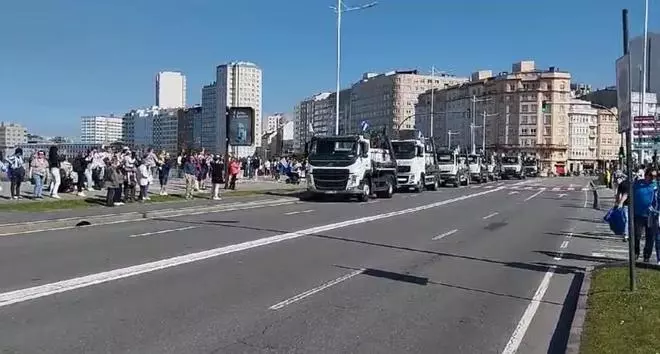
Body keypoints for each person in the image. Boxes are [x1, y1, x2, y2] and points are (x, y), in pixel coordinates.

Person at [631, 168, 658, 262]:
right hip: (638, 214)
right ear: (646, 175)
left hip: (651, 215)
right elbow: (630, 195)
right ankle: (636, 253)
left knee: (650, 237)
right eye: (651, 175)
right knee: (637, 235)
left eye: (656, 176)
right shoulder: (638, 184)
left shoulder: (656, 185)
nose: (653, 178)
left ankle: (647, 256)